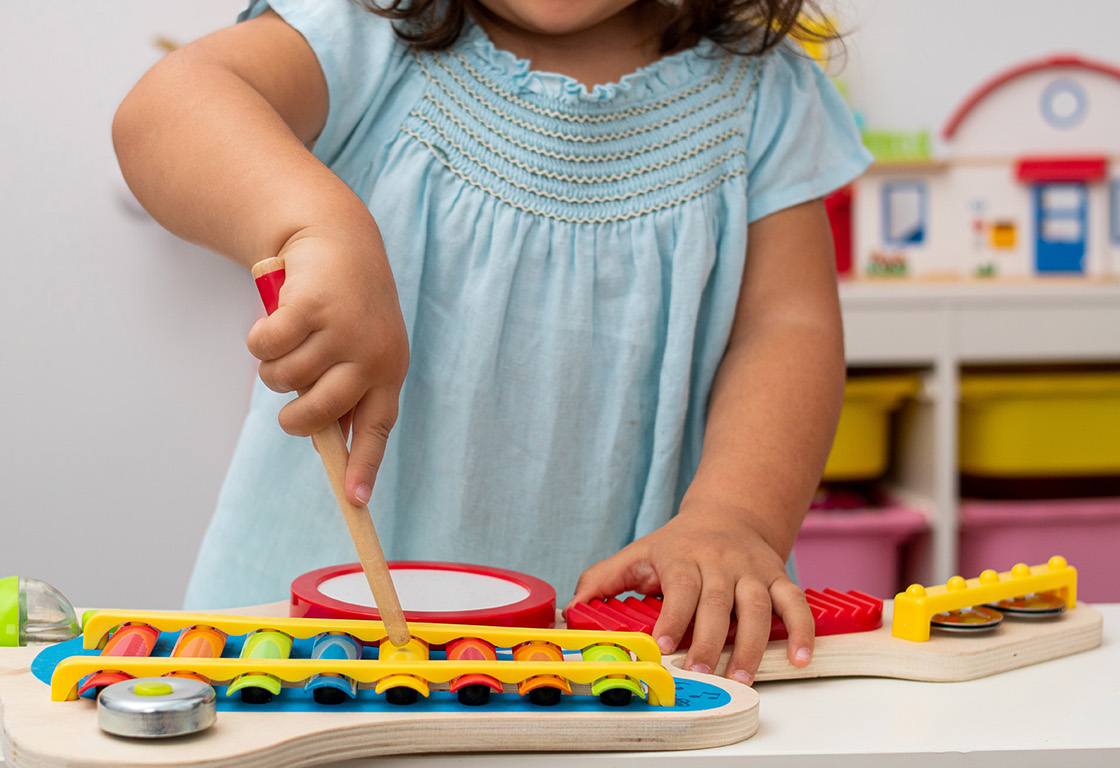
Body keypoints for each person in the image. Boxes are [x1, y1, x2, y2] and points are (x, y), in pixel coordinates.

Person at [113, 0, 871, 685]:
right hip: (307, 645)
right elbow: (165, 109)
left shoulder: (765, 93)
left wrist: (737, 516)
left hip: (632, 658)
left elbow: (785, 327)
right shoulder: (371, 35)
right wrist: (314, 222)